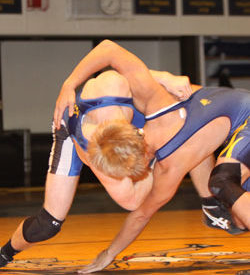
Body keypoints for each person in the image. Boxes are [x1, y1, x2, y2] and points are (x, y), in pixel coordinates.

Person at [51, 40, 249, 273]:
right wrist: (108, 253)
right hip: (237, 124)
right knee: (239, 218)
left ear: (145, 162)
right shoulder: (154, 103)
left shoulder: (170, 165)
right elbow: (141, 214)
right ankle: (212, 205)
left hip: (245, 120)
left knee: (222, 182)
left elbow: (142, 215)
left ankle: (212, 203)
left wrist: (69, 85)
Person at [0, 66, 214, 268]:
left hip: (115, 113)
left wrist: (165, 77)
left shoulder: (111, 86)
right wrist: (162, 159)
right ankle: (5, 252)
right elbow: (135, 202)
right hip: (71, 130)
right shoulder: (94, 157)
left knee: (192, 121)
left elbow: (129, 67)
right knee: (48, 224)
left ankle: (211, 203)